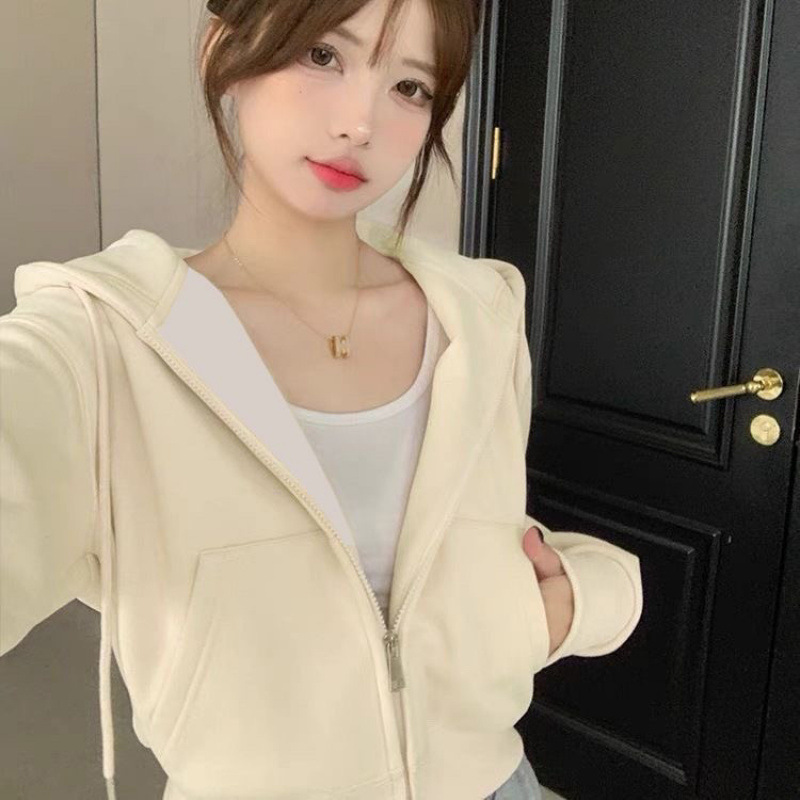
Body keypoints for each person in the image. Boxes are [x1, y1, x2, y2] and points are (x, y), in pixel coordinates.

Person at [0, 0, 644, 798]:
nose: (359, 123)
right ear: (223, 51)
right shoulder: (98, 342)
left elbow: (474, 544)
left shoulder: (481, 315)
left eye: (410, 87)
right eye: (322, 56)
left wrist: (574, 603)